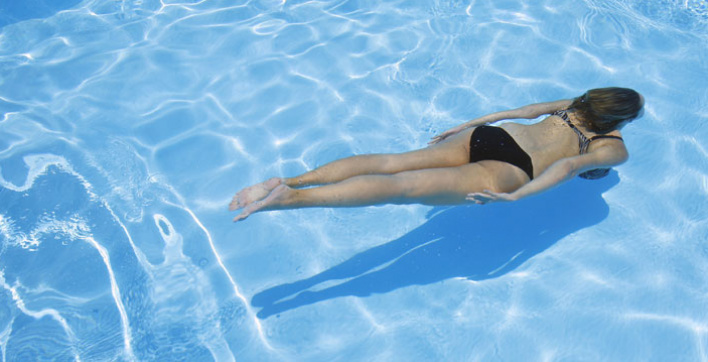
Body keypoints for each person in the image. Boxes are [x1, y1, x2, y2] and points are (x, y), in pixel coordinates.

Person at [230, 87, 644, 222]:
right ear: (621, 121)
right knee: (401, 187)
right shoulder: (612, 148)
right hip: (510, 169)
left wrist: (468, 125)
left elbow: (518, 113)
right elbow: (570, 166)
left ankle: (292, 179)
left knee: (391, 162)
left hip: (489, 136)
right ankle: (291, 198)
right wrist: (518, 196)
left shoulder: (572, 103)